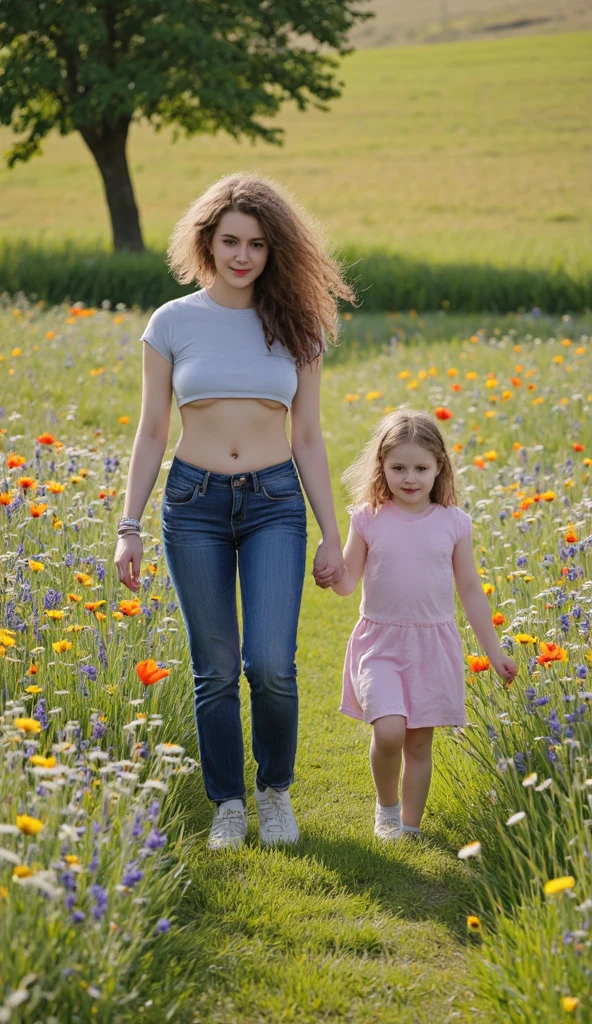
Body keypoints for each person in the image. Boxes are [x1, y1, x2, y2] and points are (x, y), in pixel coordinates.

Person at [114, 173, 353, 850]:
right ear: (206, 243)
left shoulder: (298, 328)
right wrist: (127, 527)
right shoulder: (171, 322)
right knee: (214, 666)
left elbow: (308, 434)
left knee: (272, 662)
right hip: (193, 504)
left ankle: (275, 792)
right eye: (230, 241)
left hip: (275, 502)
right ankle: (227, 803)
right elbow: (152, 430)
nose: (243, 255)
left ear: (275, 251)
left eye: (256, 244)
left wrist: (332, 536)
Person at [330, 409, 517, 841]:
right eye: (398, 468)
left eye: (420, 468)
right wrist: (332, 571)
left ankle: (409, 828)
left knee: (418, 743)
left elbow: (470, 590)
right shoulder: (368, 518)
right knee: (391, 728)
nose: (409, 478)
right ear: (382, 468)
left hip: (432, 645)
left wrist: (495, 652)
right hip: (380, 642)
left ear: (439, 468)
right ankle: (387, 808)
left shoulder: (454, 523)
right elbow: (347, 583)